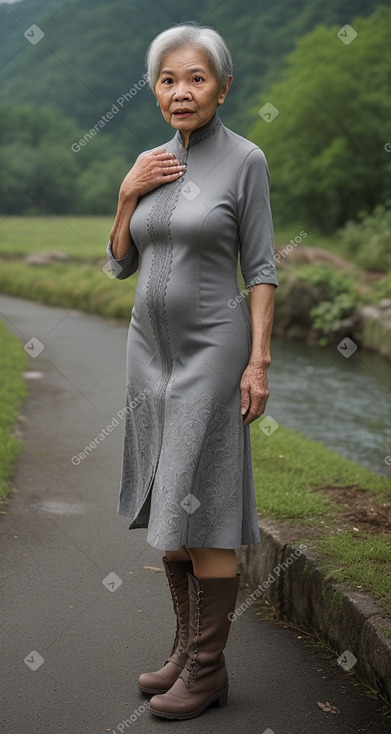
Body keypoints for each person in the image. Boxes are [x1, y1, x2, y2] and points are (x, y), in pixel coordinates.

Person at [107, 21, 278, 721]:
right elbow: (120, 262)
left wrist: (257, 361)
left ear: (223, 87)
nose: (181, 91)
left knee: (200, 506)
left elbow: (262, 270)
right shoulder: (149, 162)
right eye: (168, 80)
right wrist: (125, 193)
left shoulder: (245, 161)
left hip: (213, 353)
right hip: (148, 356)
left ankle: (207, 671)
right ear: (154, 90)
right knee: (166, 502)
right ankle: (183, 651)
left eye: (196, 78)